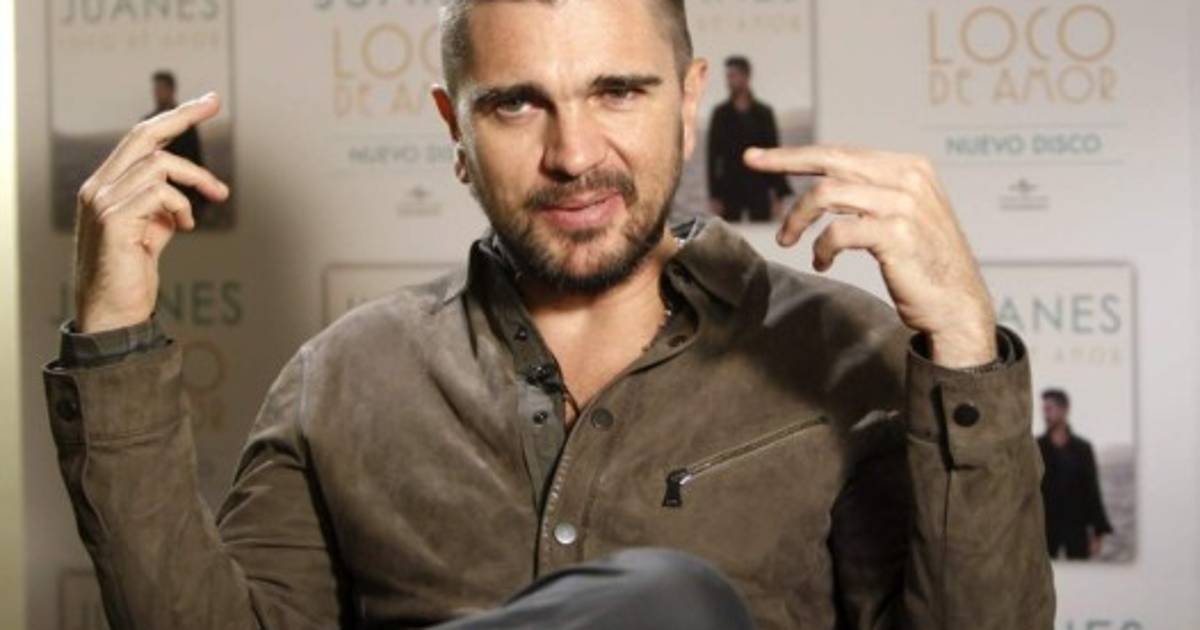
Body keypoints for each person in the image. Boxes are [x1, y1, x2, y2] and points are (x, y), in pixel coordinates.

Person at [43, 1, 1055, 628]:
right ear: (455, 127)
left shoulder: (843, 355)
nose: (573, 154)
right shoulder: (342, 379)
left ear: (688, 100)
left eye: (617, 92)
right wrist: (113, 333)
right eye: (516, 103)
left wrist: (965, 349)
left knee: (675, 606)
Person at [706, 55, 792, 222]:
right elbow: (713, 157)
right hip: (730, 189)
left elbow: (773, 152)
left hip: (759, 187)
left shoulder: (764, 113)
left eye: (733, 76)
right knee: (728, 236)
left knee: (762, 233)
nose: (729, 81)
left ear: (746, 76)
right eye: (728, 76)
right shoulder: (720, 114)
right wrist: (714, 196)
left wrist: (778, 194)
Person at [1037, 388, 1114, 560]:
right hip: (1044, 528)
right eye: (1044, 410)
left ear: (1064, 410)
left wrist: (1098, 531)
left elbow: (1092, 489)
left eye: (1049, 409)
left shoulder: (1082, 449)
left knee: (1080, 571)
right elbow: (1026, 491)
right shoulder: (1036, 447)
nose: (1045, 415)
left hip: (1076, 526)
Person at [146, 70, 209, 223]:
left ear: (171, 90)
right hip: (157, 191)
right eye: (155, 89)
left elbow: (195, 157)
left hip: (183, 189)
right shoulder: (147, 122)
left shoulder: (186, 120)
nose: (156, 93)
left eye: (160, 89)